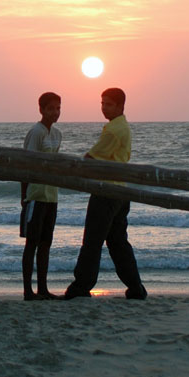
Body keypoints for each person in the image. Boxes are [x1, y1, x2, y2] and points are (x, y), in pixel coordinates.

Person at [64, 87, 147, 300]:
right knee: (118, 242)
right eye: (102, 103)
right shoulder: (122, 126)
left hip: (107, 191)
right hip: (121, 191)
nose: (104, 108)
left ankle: (81, 286)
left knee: (92, 241)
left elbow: (91, 158)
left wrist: (69, 168)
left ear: (120, 106)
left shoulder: (114, 131)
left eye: (109, 104)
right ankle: (135, 286)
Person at [20, 91, 62, 301]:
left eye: (58, 108)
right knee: (32, 243)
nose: (55, 112)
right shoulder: (35, 133)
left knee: (46, 243)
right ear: (41, 110)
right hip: (36, 194)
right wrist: (24, 196)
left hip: (51, 195)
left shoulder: (57, 134)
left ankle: (43, 289)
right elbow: (26, 164)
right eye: (51, 108)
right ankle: (28, 291)